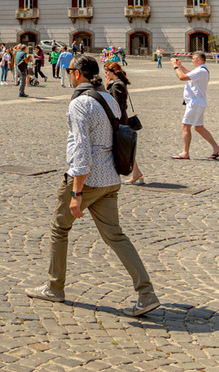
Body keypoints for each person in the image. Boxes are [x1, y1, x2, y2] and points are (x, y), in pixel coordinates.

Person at [27, 55, 161, 317]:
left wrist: (76, 192)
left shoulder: (80, 103)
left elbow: (81, 148)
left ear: (77, 74)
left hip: (88, 179)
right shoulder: (107, 98)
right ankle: (146, 293)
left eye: (68, 70)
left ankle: (55, 287)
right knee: (115, 236)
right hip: (110, 178)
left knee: (59, 228)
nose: (67, 73)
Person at [171, 51, 219, 160]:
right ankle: (216, 147)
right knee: (199, 127)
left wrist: (175, 67)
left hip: (195, 102)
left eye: (194, 59)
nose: (192, 61)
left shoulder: (201, 71)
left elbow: (182, 77)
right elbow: (189, 73)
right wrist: (181, 66)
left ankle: (185, 152)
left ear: (199, 60)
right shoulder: (201, 70)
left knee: (185, 126)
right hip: (198, 102)